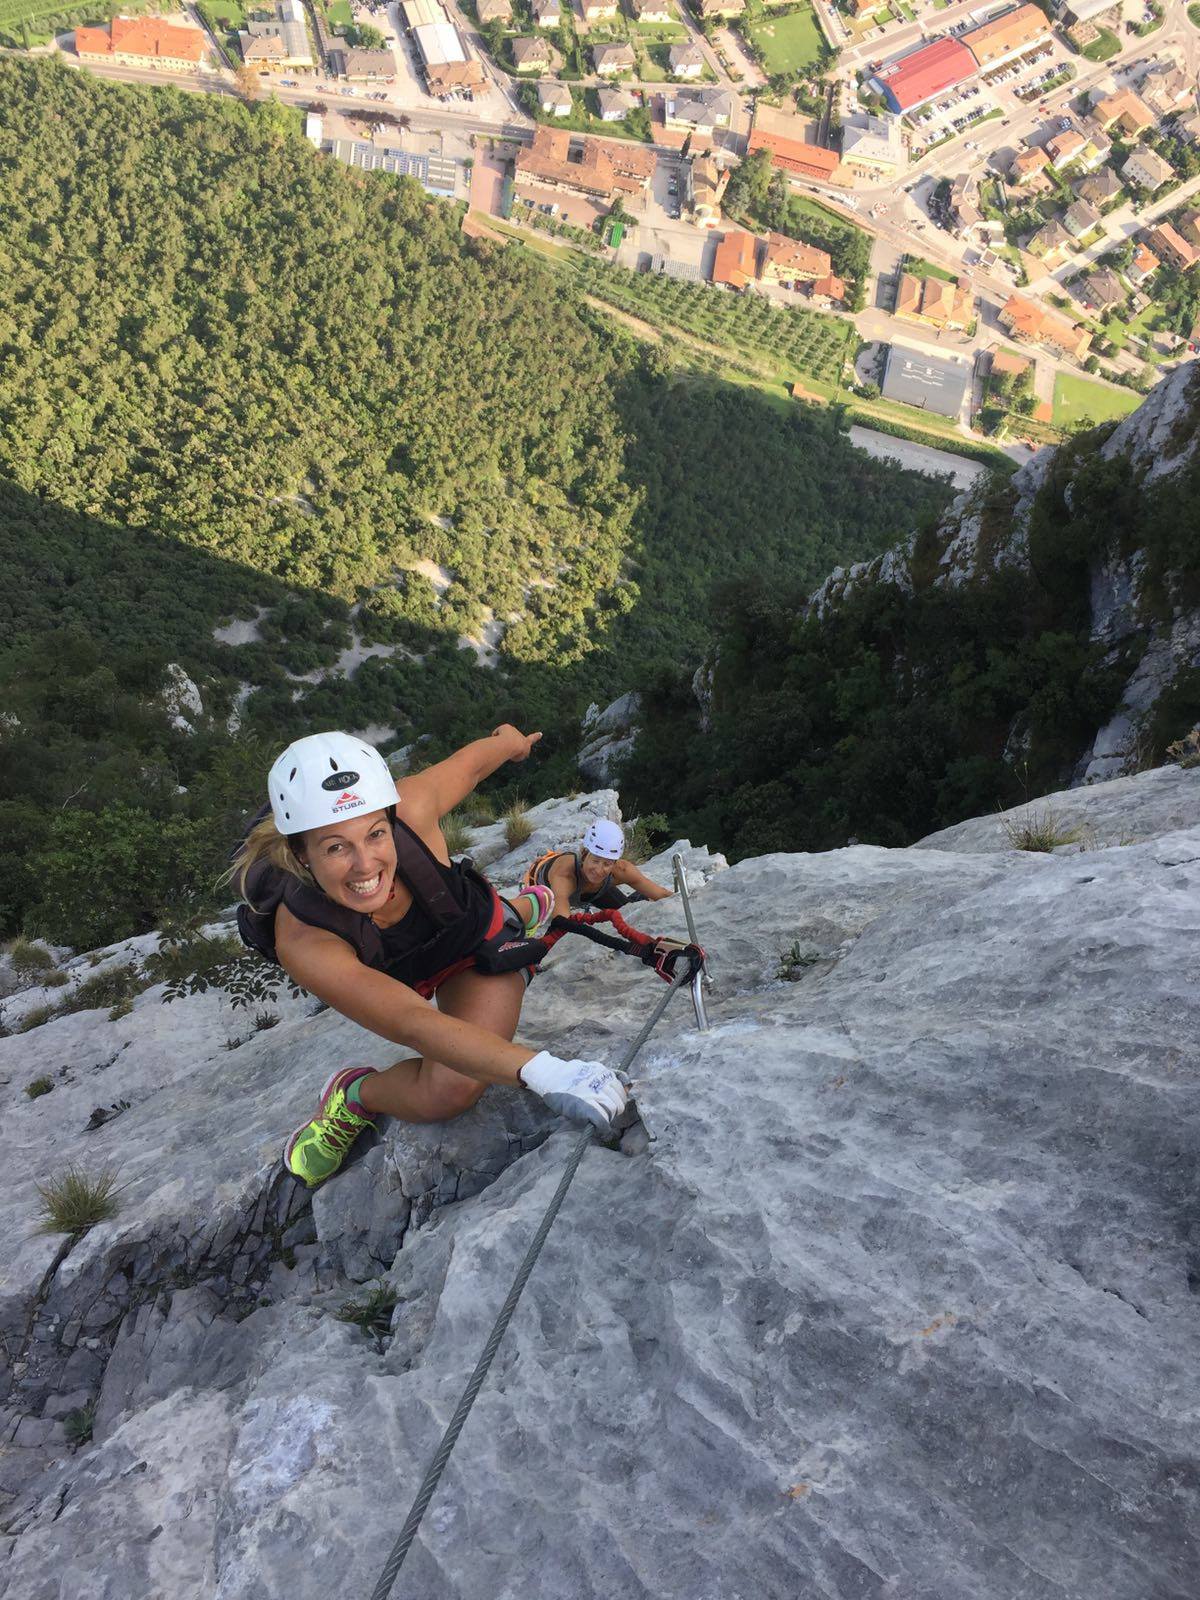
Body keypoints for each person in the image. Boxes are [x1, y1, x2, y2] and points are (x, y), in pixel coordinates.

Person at [229, 727, 628, 1189]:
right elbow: (412, 1022)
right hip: (402, 979)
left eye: (376, 834)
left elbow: (474, 762)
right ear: (300, 854)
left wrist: (512, 743)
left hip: (469, 939)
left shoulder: (412, 809)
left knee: (452, 1090)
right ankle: (355, 1094)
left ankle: (517, 911)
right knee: (452, 1081)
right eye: (336, 846)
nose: (365, 866)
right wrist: (546, 1071)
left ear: (389, 816)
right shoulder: (304, 938)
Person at [524, 818, 672, 918]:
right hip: (542, 889)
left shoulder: (621, 870)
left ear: (615, 862)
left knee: (628, 914)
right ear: (584, 853)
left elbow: (662, 894)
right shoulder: (565, 876)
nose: (599, 870)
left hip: (594, 892)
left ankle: (639, 898)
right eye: (595, 860)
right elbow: (561, 922)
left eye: (607, 863)